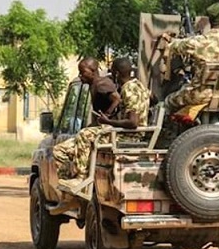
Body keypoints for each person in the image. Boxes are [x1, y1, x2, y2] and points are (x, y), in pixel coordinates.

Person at [50, 57, 150, 214]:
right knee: (60, 150)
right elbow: (153, 101)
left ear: (116, 73)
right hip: (126, 133)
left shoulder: (128, 89)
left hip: (129, 136)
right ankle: (70, 198)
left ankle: (80, 178)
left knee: (85, 134)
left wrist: (108, 120)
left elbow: (133, 123)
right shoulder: (140, 87)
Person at [160, 2, 219, 113]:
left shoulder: (197, 42)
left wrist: (170, 39)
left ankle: (168, 129)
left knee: (167, 101)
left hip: (199, 95)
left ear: (210, 21)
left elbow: (173, 46)